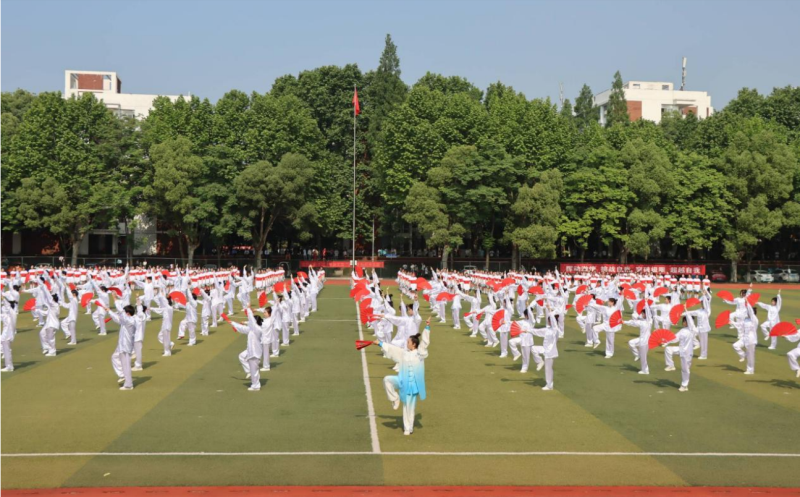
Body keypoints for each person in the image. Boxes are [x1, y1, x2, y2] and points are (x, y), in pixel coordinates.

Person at [375, 318, 431, 436]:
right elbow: (393, 350)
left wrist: (427, 327)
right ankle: (395, 398)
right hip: (402, 381)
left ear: (414, 344)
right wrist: (380, 343)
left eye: (408, 342)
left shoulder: (420, 354)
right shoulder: (404, 353)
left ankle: (408, 428)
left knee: (408, 408)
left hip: (413, 386)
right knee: (387, 380)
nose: (407, 343)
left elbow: (424, 343)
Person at [230, 308, 264, 391]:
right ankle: (249, 371)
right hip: (250, 350)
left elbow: (251, 321)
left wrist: (248, 309)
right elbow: (242, 328)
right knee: (241, 356)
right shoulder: (251, 329)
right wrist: (233, 323)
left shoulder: (258, 330)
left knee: (254, 370)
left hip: (255, 353)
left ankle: (256, 386)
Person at [663, 312, 697, 392]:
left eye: (684, 321)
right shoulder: (682, 330)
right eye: (683, 321)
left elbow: (691, 322)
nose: (683, 322)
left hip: (687, 353)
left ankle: (684, 386)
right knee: (668, 349)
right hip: (680, 349)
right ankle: (670, 365)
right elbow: (674, 338)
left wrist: (686, 311)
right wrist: (666, 342)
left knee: (685, 369)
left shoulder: (692, 330)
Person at [105, 303, 136, 390]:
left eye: (124, 313)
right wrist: (109, 311)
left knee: (126, 365)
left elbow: (121, 315)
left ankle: (128, 384)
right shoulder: (125, 321)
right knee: (114, 357)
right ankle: (122, 375)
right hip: (121, 345)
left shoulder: (131, 321)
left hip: (126, 346)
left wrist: (115, 301)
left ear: (128, 313)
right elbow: (117, 318)